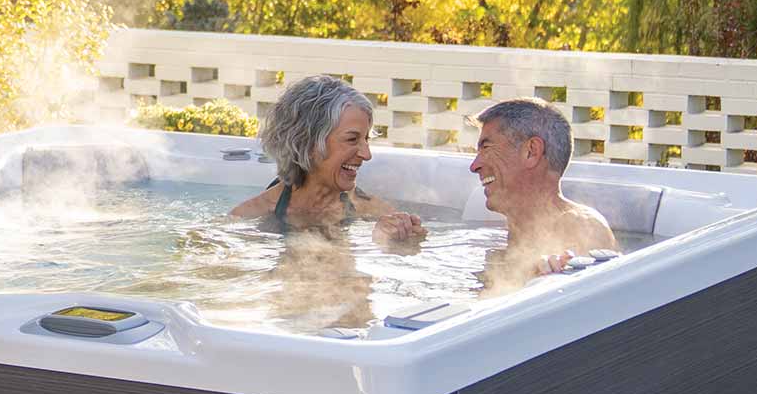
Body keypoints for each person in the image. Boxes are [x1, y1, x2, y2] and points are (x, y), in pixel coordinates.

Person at [231, 75, 427, 246]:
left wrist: (395, 241)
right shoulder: (249, 215)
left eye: (366, 139)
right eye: (352, 139)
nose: (367, 155)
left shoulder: (373, 212)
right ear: (306, 144)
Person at [468, 98, 616, 290]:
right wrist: (415, 243)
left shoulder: (581, 227)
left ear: (531, 151)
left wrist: (546, 283)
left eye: (486, 148)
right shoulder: (523, 228)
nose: (474, 166)